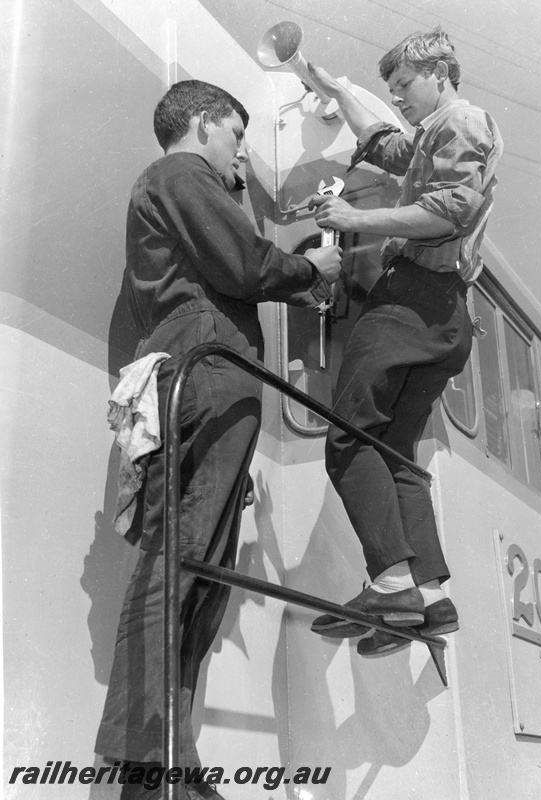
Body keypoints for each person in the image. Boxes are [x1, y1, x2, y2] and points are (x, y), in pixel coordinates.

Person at [95, 79, 341, 799]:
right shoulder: (182, 173)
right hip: (207, 370)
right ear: (203, 124)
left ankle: (170, 745)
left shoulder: (175, 185)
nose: (240, 152)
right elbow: (246, 265)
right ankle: (150, 752)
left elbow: (231, 259)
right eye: (236, 134)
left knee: (198, 567)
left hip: (204, 371)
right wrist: (313, 270)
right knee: (184, 557)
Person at [307, 28, 503, 656]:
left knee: (348, 438)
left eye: (404, 86)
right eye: (390, 90)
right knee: (394, 454)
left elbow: (450, 211)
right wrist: (331, 88)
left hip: (412, 301)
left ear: (440, 73)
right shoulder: (435, 133)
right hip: (444, 315)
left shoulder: (462, 120)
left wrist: (355, 220)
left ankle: (390, 583)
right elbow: (384, 141)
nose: (397, 98)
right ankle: (431, 598)